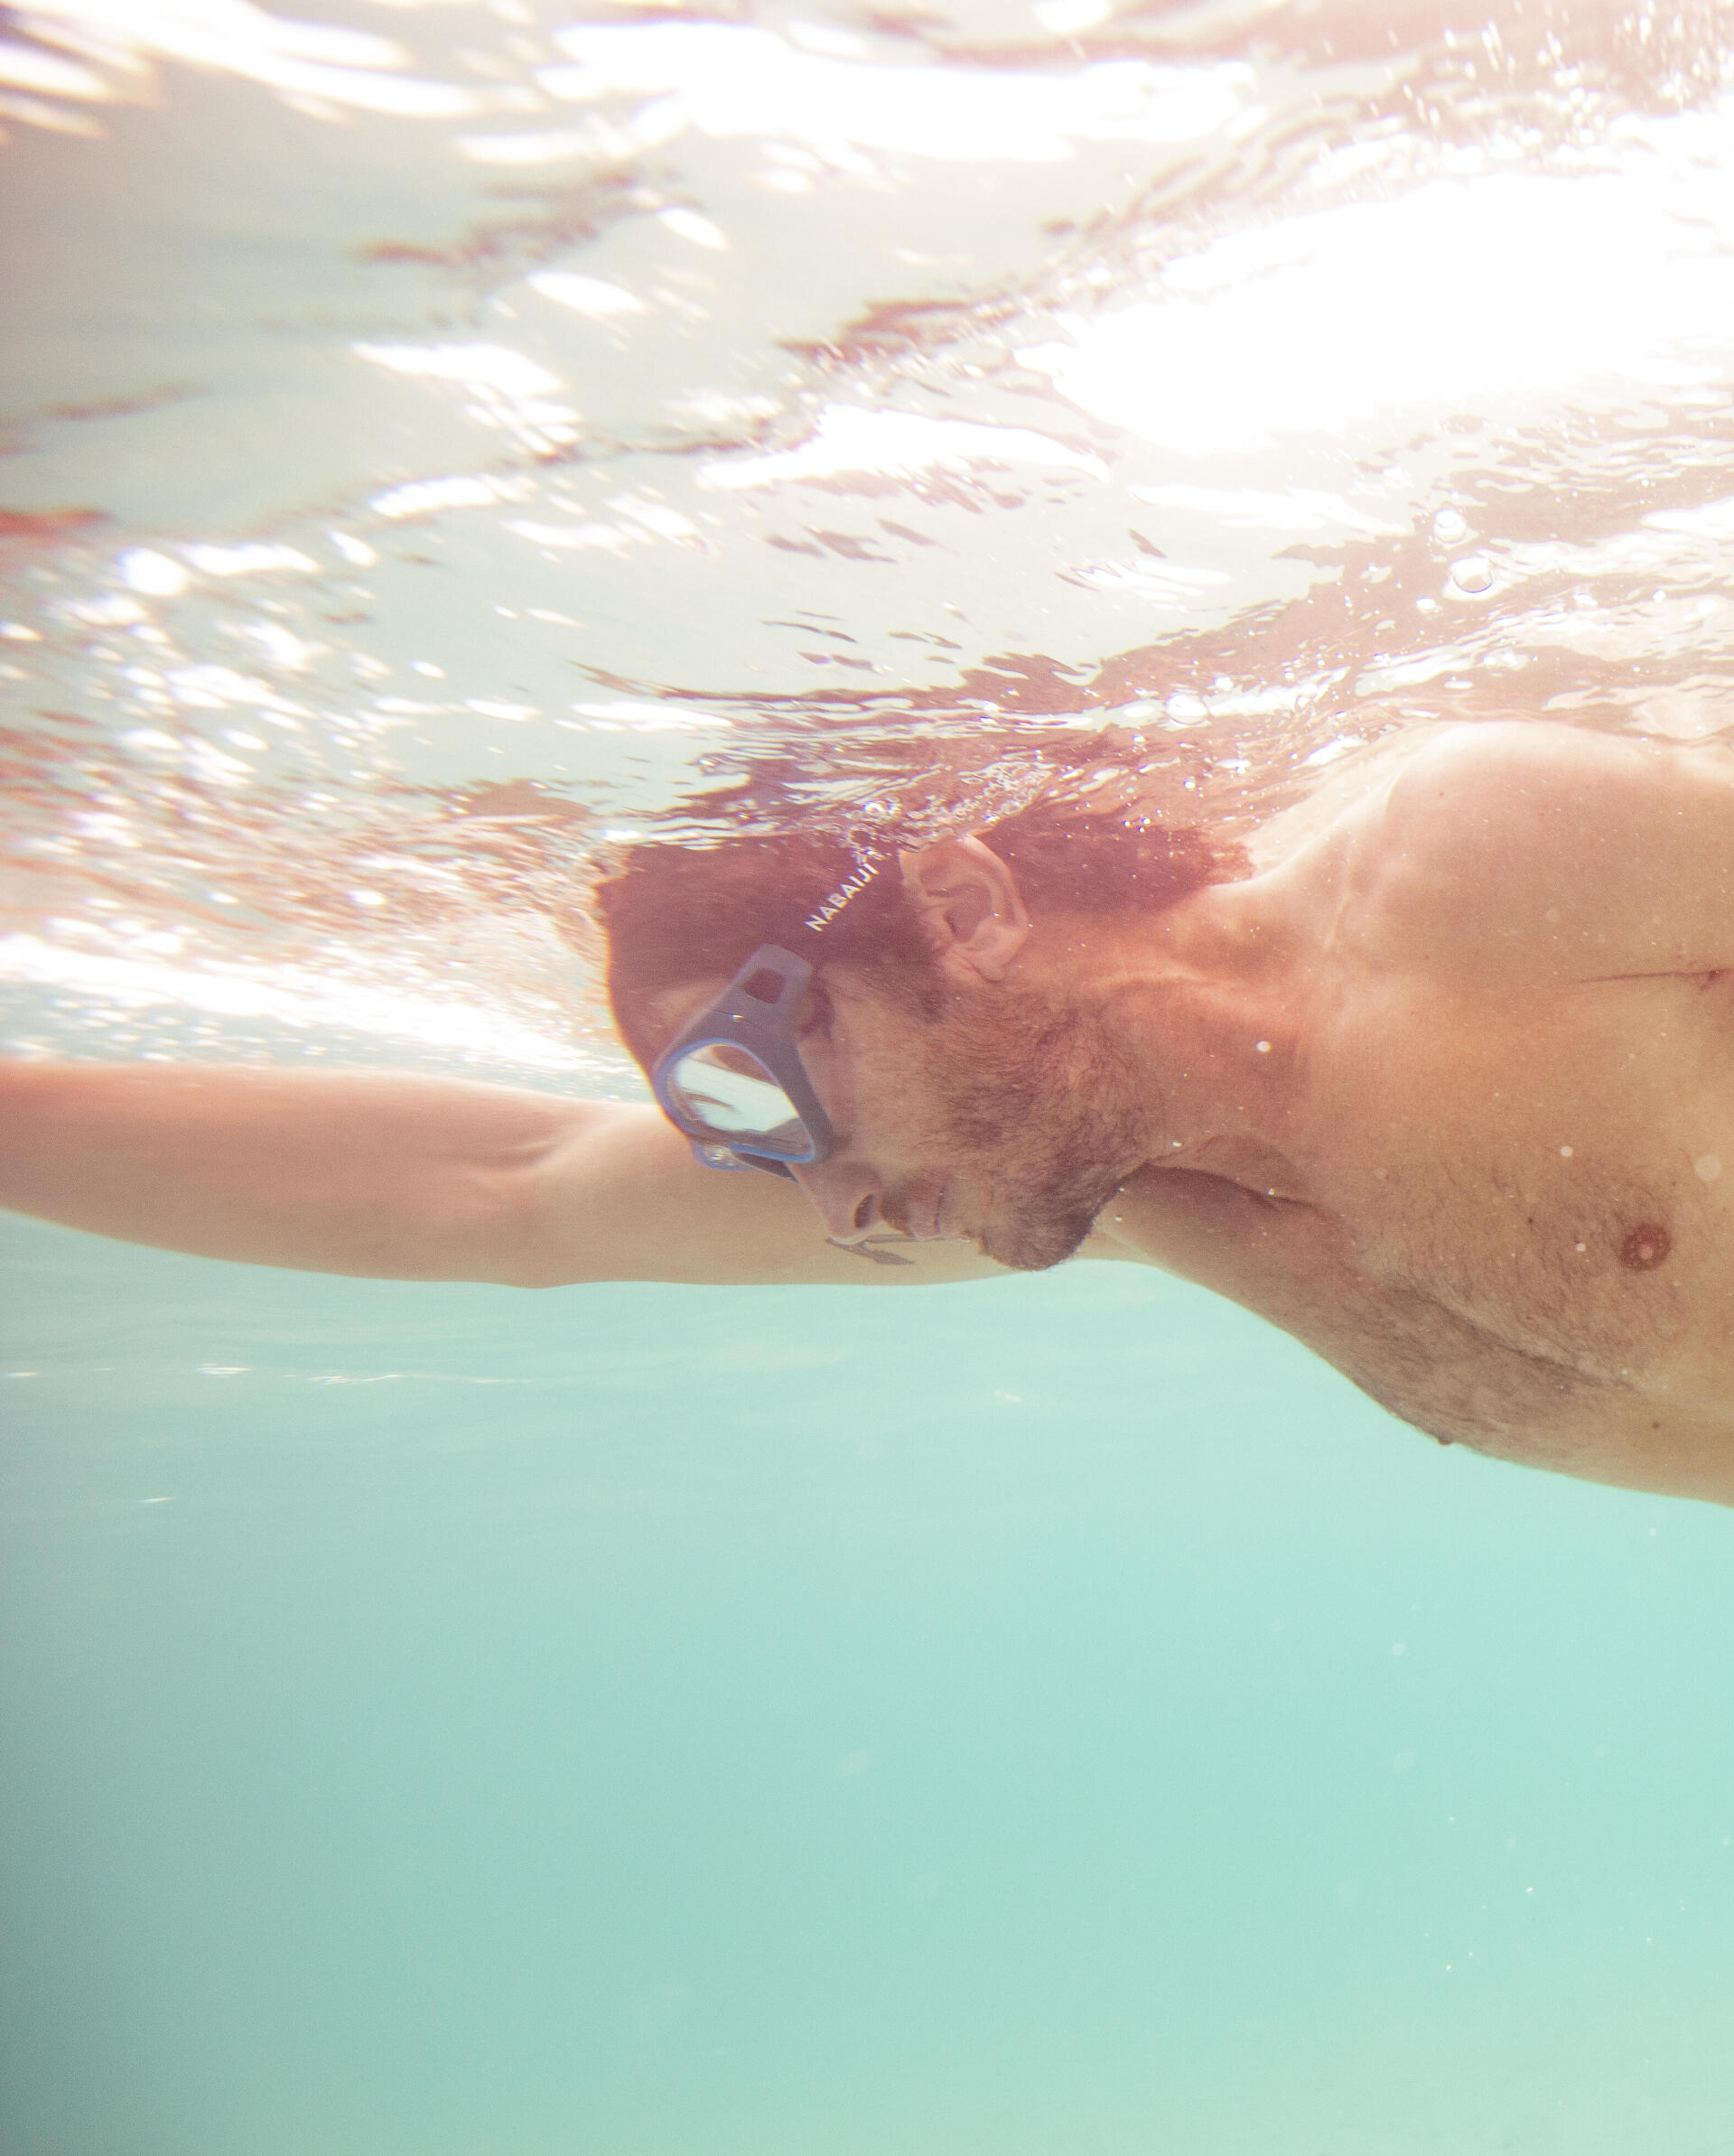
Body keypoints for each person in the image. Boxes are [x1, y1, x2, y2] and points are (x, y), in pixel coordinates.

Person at [5, 718, 1734, 1505]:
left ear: (966, 908)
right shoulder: (1146, 1194)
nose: (834, 1207)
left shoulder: (1477, 869)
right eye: (748, 1144)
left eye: (761, 1080)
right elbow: (506, 1189)